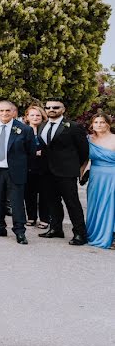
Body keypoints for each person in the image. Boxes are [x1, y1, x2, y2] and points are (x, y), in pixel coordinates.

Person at [37, 98, 90, 245]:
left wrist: (74, 167)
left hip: (66, 171)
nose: (51, 109)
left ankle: (80, 233)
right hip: (47, 171)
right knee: (52, 202)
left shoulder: (74, 126)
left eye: (55, 107)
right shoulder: (42, 126)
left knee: (72, 203)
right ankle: (56, 229)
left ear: (63, 109)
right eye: (48, 107)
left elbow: (83, 151)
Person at [0, 100, 33, 244]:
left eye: (7, 111)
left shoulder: (24, 129)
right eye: (1, 111)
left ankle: (20, 231)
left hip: (15, 171)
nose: (4, 113)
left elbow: (30, 152)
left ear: (13, 112)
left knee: (17, 202)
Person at [84, 113, 115, 249]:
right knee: (96, 203)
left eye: (102, 122)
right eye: (96, 122)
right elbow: (84, 160)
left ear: (108, 124)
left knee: (111, 205)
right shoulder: (88, 139)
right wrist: (80, 175)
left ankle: (112, 235)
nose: (98, 125)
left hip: (112, 175)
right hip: (96, 176)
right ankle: (94, 232)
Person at [23, 105, 50, 228]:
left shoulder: (46, 130)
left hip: (45, 167)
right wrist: (33, 152)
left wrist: (42, 152)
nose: (35, 117)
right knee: (29, 194)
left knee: (45, 194)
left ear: (42, 117)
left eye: (38, 115)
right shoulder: (22, 130)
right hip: (27, 166)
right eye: (32, 115)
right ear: (27, 117)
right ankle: (31, 217)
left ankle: (45, 218)